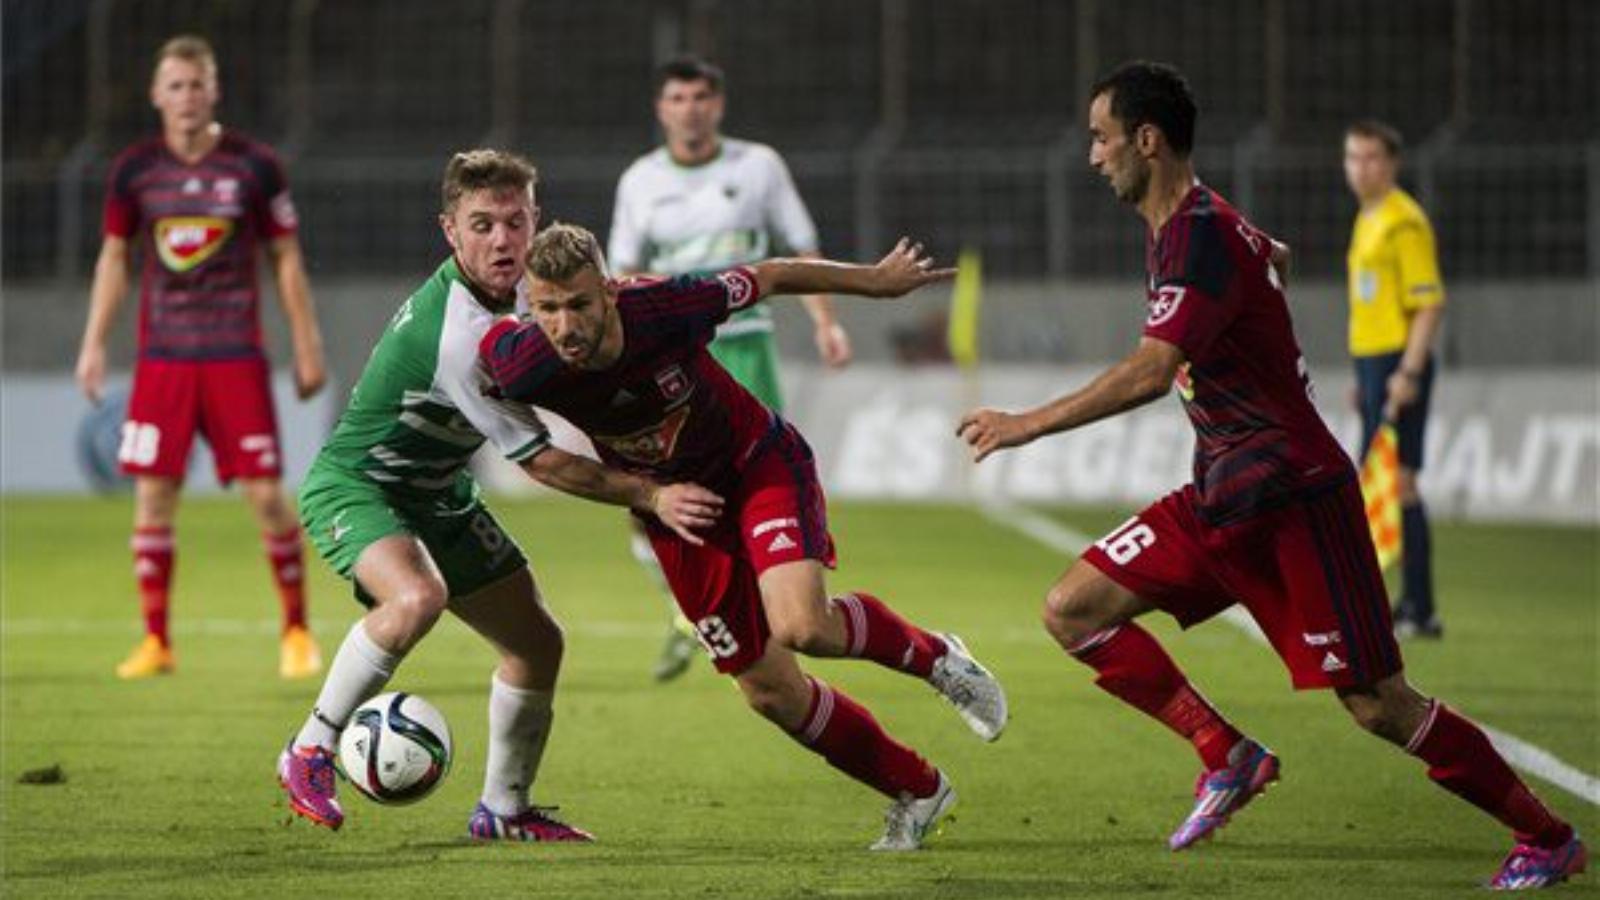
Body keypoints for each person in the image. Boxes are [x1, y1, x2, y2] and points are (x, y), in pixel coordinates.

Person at [956, 61, 1584, 890]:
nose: (1092, 155)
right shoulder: (1197, 224)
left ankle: (1546, 837)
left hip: (1294, 499)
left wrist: (1026, 423)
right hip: (1221, 496)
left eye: (1102, 138)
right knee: (1073, 610)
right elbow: (1257, 250)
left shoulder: (1198, 234)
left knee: (1375, 703)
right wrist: (1268, 250)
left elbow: (1152, 371)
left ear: (1147, 141)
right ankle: (1227, 754)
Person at [479, 224, 1006, 851]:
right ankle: (917, 789)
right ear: (530, 306)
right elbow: (505, 415)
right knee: (768, 691)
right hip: (678, 513)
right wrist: (648, 497)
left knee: (803, 627)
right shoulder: (520, 361)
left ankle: (937, 658)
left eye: (580, 305)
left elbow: (774, 273)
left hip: (756, 465)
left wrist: (876, 282)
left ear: (610, 292)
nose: (565, 326)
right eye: (548, 309)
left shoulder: (668, 307)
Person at [276, 150, 721, 840]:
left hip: (438, 492)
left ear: (535, 221)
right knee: (416, 597)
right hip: (359, 484)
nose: (502, 240)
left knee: (537, 645)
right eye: (481, 224)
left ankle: (504, 811)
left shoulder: (535, 292)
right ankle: (309, 748)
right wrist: (649, 494)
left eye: (515, 222)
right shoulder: (458, 333)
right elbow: (542, 463)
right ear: (450, 232)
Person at [74, 35, 327, 680]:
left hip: (235, 356)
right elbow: (113, 259)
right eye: (176, 86)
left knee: (268, 498)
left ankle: (296, 630)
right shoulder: (135, 171)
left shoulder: (254, 166)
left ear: (214, 91)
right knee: (152, 497)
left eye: (197, 85)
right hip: (163, 360)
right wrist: (94, 343)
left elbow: (286, 259)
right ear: (157, 96)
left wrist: (307, 344)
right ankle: (157, 641)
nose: (187, 97)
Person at [609, 55, 853, 681]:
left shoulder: (758, 166)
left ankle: (769, 609)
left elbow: (802, 250)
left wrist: (826, 321)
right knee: (647, 500)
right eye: (678, 98)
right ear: (662, 109)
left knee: (755, 482)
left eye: (700, 97)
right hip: (673, 359)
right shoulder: (640, 180)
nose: (689, 109)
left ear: (717, 105)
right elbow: (620, 276)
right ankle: (680, 609)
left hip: (745, 349)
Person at [1343, 120, 1447, 639]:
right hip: (1374, 363)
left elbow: (1427, 305)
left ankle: (1419, 609)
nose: (1360, 168)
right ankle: (1396, 604)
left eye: (1370, 158)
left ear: (1391, 164)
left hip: (1399, 362)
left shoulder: (1405, 222)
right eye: (1353, 158)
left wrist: (1406, 372)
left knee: (1399, 483)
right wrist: (1365, 375)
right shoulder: (1369, 217)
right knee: (1378, 483)